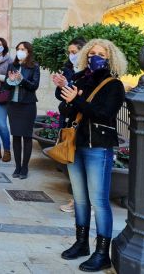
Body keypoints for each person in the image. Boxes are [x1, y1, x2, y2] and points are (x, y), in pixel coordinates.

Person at [59, 39, 126, 272]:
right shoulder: (79, 79)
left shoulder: (114, 85)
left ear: (110, 58)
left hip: (98, 146)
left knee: (99, 200)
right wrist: (66, 97)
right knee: (79, 198)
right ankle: (81, 243)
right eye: (92, 53)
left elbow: (103, 114)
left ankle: (102, 253)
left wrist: (76, 100)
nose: (94, 57)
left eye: (100, 54)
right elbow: (66, 111)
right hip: (75, 145)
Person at [51, 37, 87, 213]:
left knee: (83, 161)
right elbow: (62, 96)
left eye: (74, 52)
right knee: (72, 159)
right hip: (67, 118)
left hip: (81, 121)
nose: (71, 55)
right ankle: (77, 200)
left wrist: (68, 85)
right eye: (69, 52)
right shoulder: (69, 69)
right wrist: (61, 85)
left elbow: (80, 94)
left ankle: (85, 202)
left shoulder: (88, 72)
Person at [4, 41, 40, 179]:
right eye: (18, 49)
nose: (20, 51)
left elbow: (34, 86)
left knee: (27, 136)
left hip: (28, 105)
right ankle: (17, 167)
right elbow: (6, 88)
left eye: (23, 49)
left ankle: (25, 167)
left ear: (28, 52)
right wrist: (9, 81)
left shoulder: (34, 66)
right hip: (13, 105)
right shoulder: (12, 65)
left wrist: (22, 79)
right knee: (16, 136)